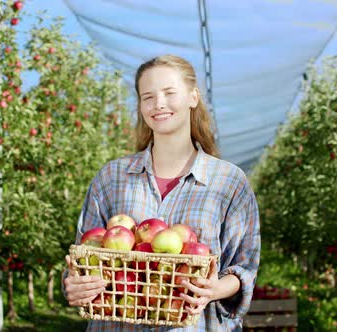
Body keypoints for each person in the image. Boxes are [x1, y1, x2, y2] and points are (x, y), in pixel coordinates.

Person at [62, 54, 260, 331]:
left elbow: (244, 267)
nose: (159, 104)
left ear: (193, 97)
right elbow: (84, 257)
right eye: (148, 97)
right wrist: (75, 285)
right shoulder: (111, 178)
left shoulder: (229, 182)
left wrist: (213, 289)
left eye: (169, 93)